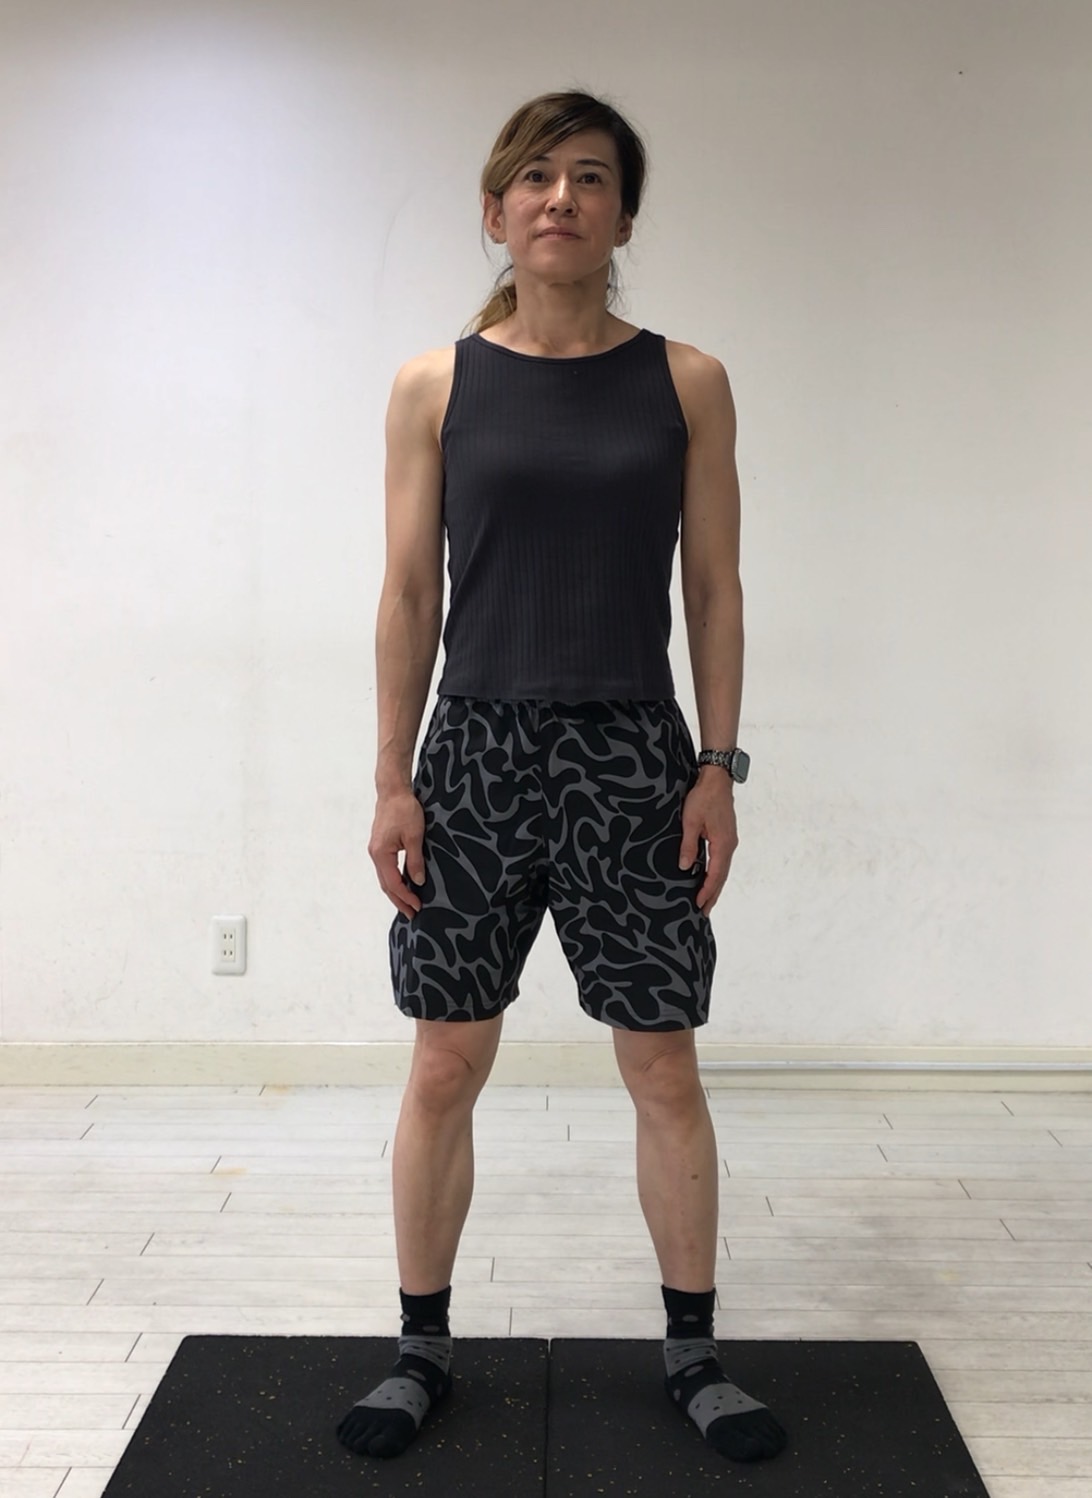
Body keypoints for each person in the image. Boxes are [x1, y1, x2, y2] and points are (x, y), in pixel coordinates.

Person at [336, 88, 786, 1466]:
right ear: (497, 210)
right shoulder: (436, 385)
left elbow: (714, 587)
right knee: (444, 1061)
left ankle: (694, 1351)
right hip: (473, 756)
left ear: (622, 218)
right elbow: (409, 593)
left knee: (661, 1062)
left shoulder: (687, 381)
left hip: (633, 757)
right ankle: (420, 1350)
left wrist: (716, 765)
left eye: (590, 177)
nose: (561, 198)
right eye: (535, 177)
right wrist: (393, 777)